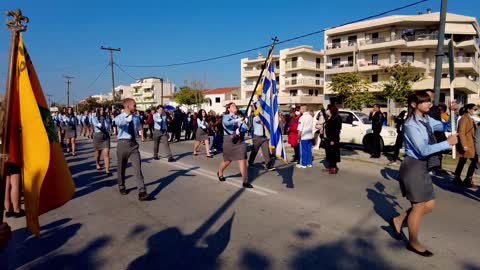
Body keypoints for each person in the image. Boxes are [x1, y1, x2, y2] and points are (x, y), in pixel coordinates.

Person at [389, 91, 457, 257]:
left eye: (429, 101)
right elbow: (423, 150)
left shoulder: (426, 119)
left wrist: (451, 113)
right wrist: (446, 143)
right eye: (425, 102)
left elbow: (444, 126)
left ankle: (398, 220)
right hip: (413, 166)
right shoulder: (410, 124)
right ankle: (413, 242)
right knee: (418, 207)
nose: (429, 104)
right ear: (414, 104)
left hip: (424, 166)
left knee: (429, 206)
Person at [114, 98, 149, 201]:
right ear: (127, 106)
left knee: (137, 168)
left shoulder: (136, 117)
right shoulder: (119, 117)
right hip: (122, 144)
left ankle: (142, 191)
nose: (136, 106)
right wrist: (126, 120)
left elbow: (139, 127)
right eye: (134, 105)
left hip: (133, 144)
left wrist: (141, 135)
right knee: (121, 167)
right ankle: (121, 185)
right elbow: (118, 123)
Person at [217, 103, 253, 188]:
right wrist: (237, 121)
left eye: (235, 106)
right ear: (229, 109)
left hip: (239, 140)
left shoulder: (239, 117)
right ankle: (220, 172)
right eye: (232, 106)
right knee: (228, 160)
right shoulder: (226, 116)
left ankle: (245, 181)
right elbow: (227, 123)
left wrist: (241, 127)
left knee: (242, 159)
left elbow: (244, 128)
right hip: (229, 140)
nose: (235, 107)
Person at [453, 104, 477, 188]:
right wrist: (464, 145)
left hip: (470, 143)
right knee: (475, 160)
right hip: (467, 144)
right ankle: (468, 178)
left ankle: (457, 176)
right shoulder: (464, 119)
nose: (475, 111)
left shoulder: (470, 118)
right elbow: (461, 132)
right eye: (474, 109)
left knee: (462, 160)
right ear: (468, 109)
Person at [92, 107, 112, 175]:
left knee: (106, 153)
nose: (102, 111)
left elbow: (108, 127)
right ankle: (97, 163)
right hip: (97, 136)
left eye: (103, 110)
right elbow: (96, 125)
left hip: (105, 136)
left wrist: (109, 129)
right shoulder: (94, 118)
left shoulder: (106, 118)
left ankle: (107, 169)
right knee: (98, 153)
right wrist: (99, 124)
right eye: (100, 110)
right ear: (98, 111)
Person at [323, 106, 342, 174]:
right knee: (329, 153)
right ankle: (330, 166)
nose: (327, 111)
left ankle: (333, 167)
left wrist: (333, 140)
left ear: (331, 111)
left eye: (328, 110)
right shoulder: (329, 117)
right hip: (327, 138)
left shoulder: (336, 118)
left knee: (333, 153)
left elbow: (336, 130)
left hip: (333, 139)